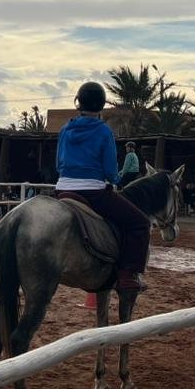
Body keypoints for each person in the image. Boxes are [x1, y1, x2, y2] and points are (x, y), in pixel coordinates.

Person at [56, 81, 150, 293]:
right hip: (94, 192)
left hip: (62, 190)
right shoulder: (103, 131)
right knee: (140, 224)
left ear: (78, 102)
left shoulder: (64, 129)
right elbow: (110, 170)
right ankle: (128, 276)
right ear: (101, 105)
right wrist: (117, 180)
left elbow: (57, 164)